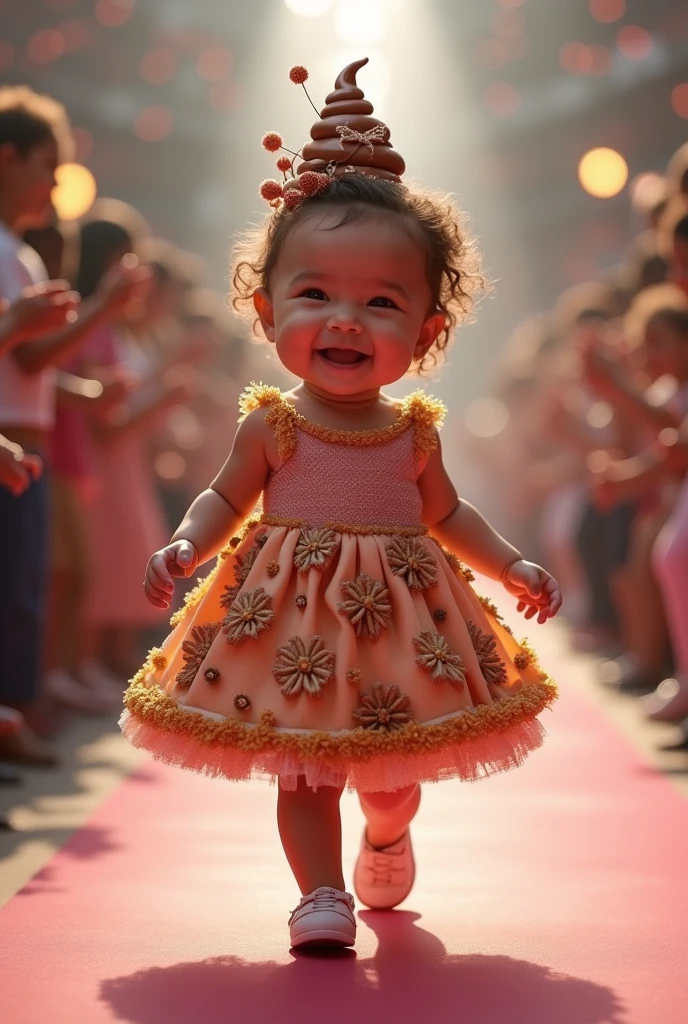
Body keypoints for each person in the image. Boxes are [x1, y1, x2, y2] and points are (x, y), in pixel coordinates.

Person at [118, 59, 561, 951]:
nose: (345, 321)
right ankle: (320, 894)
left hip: (401, 624)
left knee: (390, 772)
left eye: (381, 303)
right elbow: (222, 497)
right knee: (305, 768)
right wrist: (185, 544)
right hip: (290, 627)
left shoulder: (415, 433)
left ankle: (390, 829)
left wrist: (509, 562)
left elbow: (448, 515)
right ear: (265, 306)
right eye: (314, 295)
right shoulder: (273, 424)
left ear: (428, 332)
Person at [0, 85, 149, 766]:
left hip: (22, 441)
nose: (54, 186)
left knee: (26, 592)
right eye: (47, 168)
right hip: (12, 440)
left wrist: (81, 385)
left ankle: (17, 716)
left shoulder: (20, 255)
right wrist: (98, 313)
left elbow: (32, 363)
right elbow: (25, 348)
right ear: (8, 159)